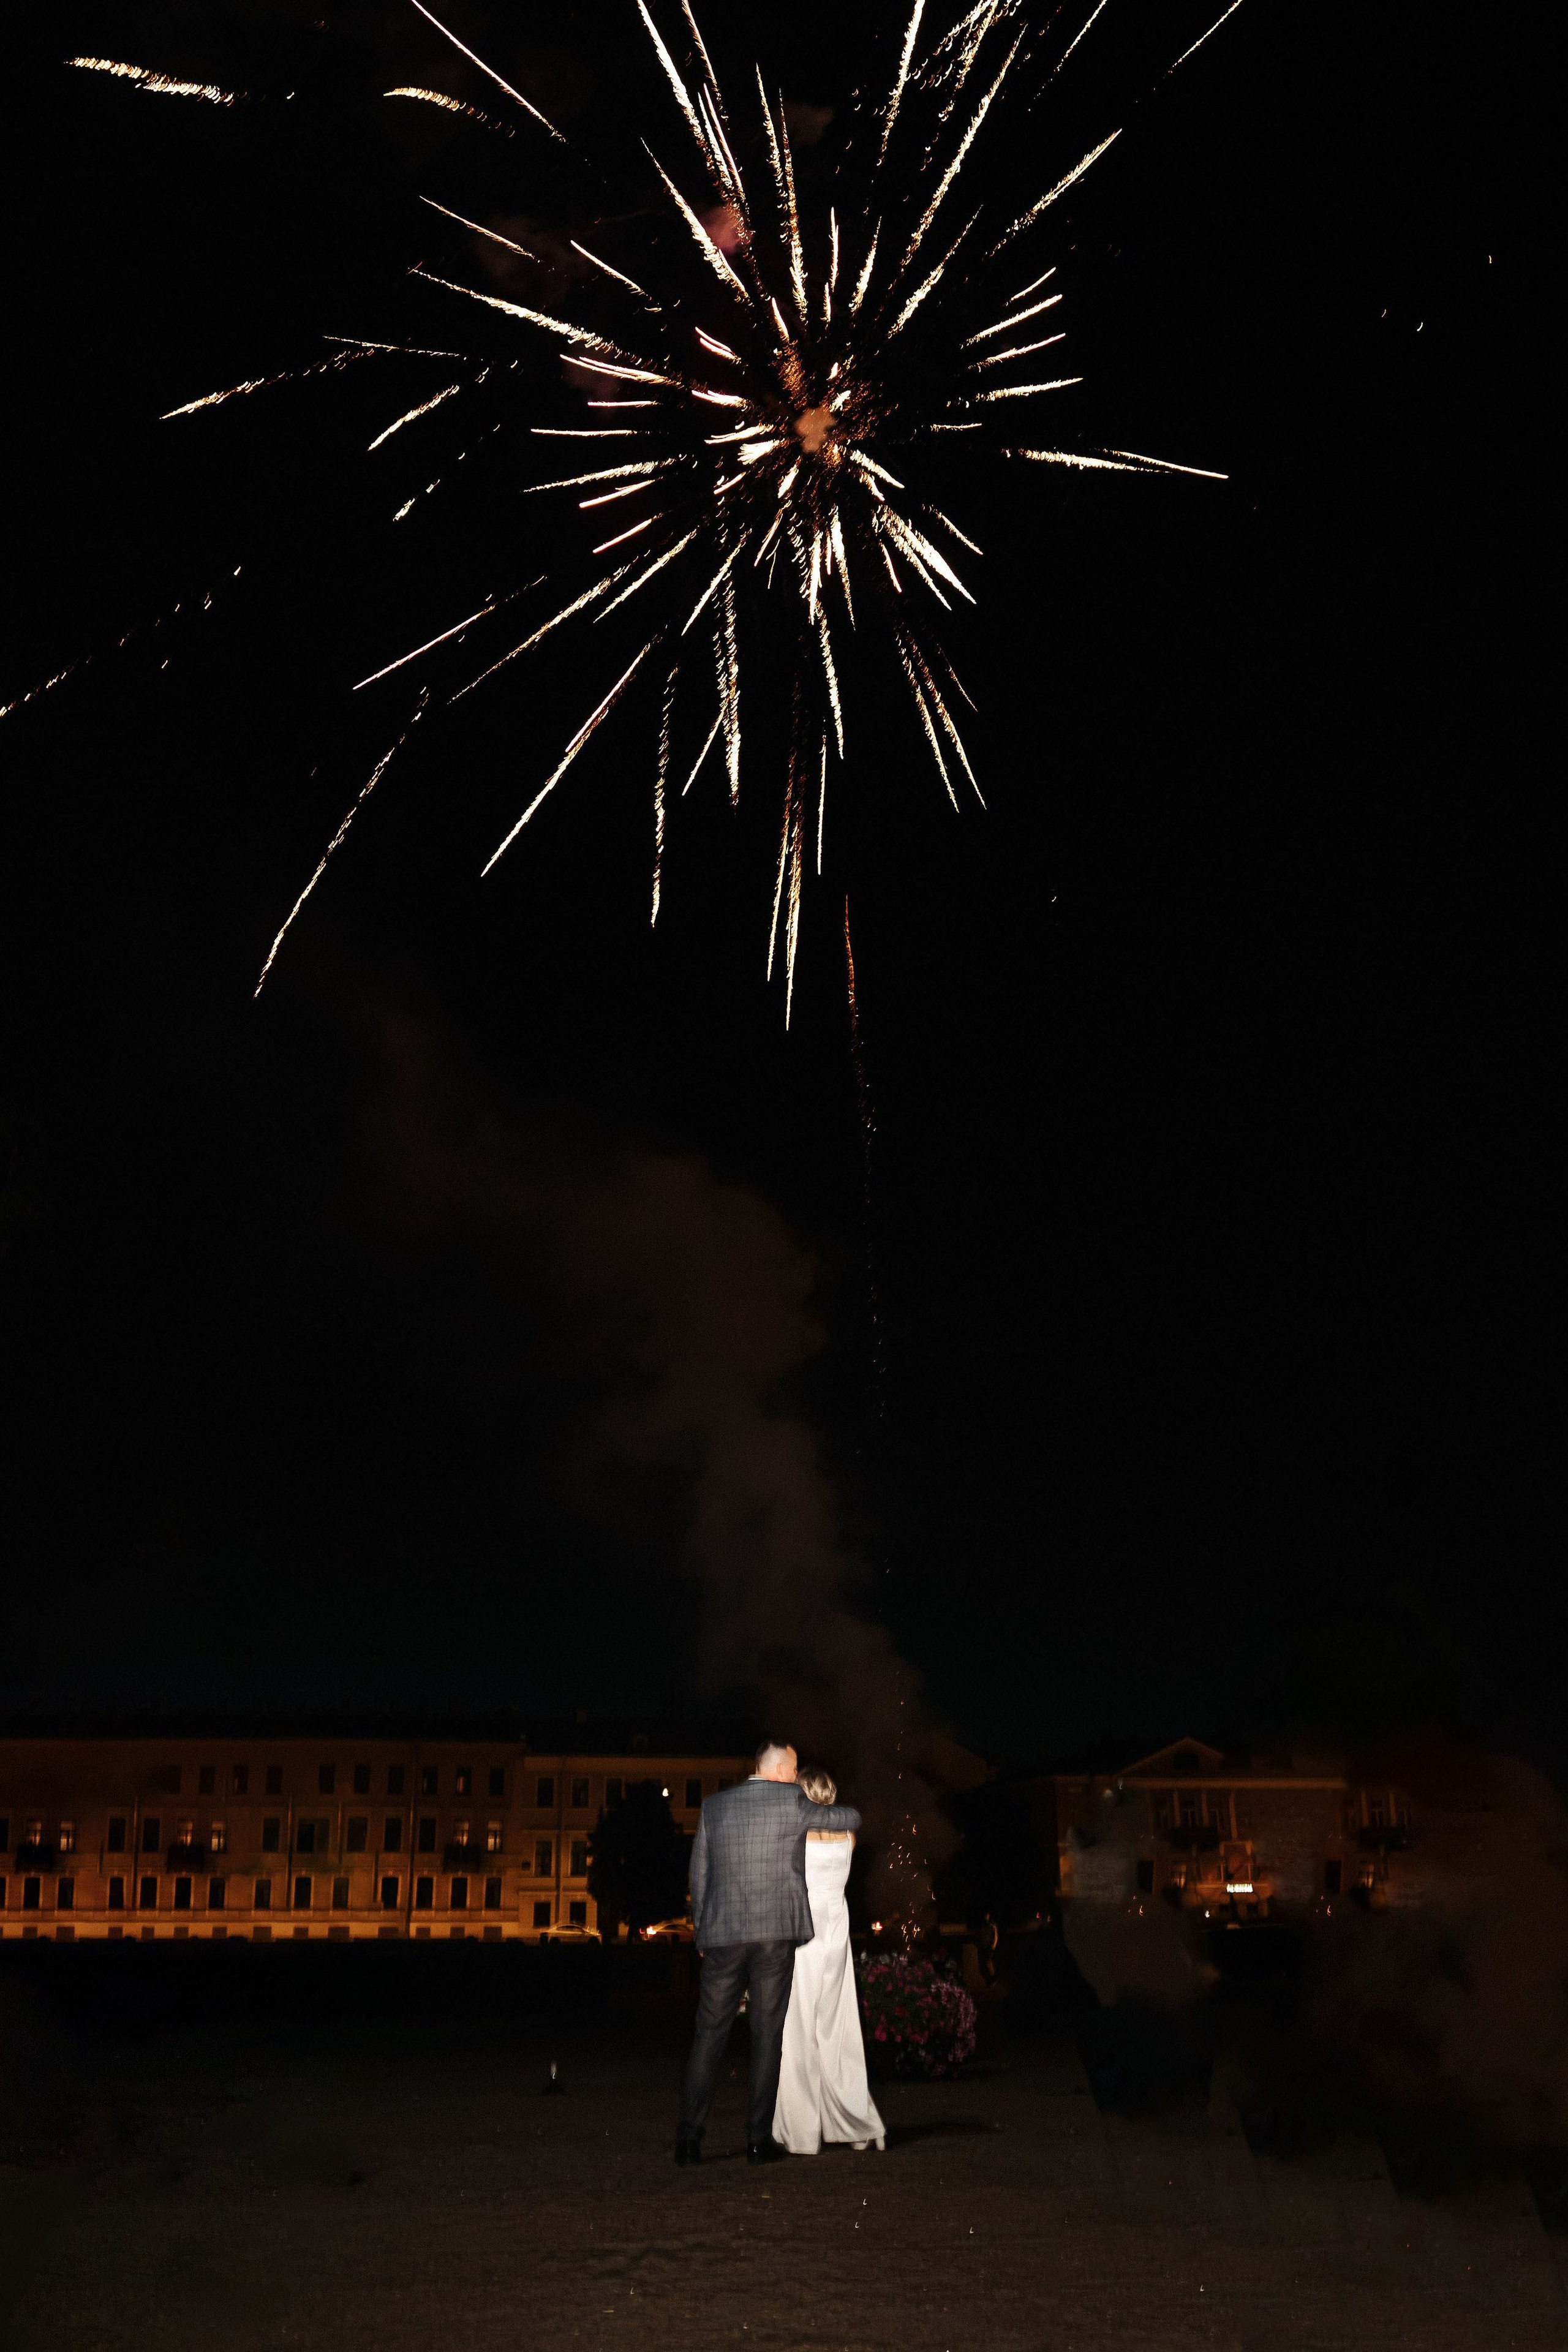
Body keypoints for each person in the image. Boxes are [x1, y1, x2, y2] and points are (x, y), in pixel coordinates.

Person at [676, 1738, 862, 2166]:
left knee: (708, 2036)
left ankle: (689, 2140)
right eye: (794, 1770)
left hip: (723, 1937)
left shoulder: (715, 1806)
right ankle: (758, 2141)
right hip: (776, 1937)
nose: (797, 1778)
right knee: (767, 2036)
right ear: (778, 1770)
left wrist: (703, 1932)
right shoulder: (793, 1802)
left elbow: (699, 1875)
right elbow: (851, 1816)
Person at [772, 1769, 886, 2155]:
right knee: (838, 2029)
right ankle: (855, 2125)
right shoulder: (848, 1836)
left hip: (805, 1936)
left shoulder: (796, 1837)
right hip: (836, 1935)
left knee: (799, 2028)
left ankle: (802, 2133)